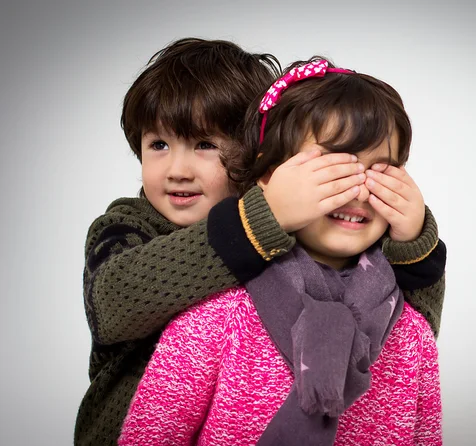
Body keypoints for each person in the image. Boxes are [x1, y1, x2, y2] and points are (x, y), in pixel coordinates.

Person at [119, 58, 443, 446]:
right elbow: (150, 434)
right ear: (268, 178)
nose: (357, 192)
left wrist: (413, 235)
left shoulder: (411, 332)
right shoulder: (216, 318)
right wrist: (268, 212)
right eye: (333, 169)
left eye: (379, 172)